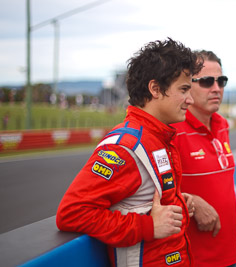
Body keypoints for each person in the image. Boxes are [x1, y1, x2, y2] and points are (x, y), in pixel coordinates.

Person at [56, 38, 202, 267]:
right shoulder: (124, 147)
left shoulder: (159, 138)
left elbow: (142, 199)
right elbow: (73, 213)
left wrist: (179, 203)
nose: (190, 100)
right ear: (155, 89)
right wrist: (149, 227)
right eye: (184, 90)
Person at [171, 50, 236, 266]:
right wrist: (192, 201)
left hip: (230, 253)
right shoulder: (173, 130)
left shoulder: (222, 125)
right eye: (207, 81)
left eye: (221, 81)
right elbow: (152, 193)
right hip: (196, 258)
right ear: (187, 85)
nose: (216, 88)